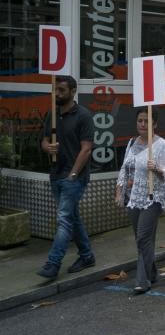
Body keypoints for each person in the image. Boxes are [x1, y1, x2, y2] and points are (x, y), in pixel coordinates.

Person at [37, 76, 96, 281]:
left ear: (73, 91)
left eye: (61, 90)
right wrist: (47, 147)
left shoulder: (83, 115)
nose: (58, 94)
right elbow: (44, 141)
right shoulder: (52, 115)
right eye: (56, 90)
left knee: (63, 220)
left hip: (74, 177)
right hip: (56, 174)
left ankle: (53, 263)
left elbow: (86, 149)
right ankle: (87, 256)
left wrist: (73, 174)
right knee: (72, 217)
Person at [115, 109, 165, 295]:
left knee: (143, 237)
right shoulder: (132, 143)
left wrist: (156, 168)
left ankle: (143, 280)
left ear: (154, 124)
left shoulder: (162, 145)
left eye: (146, 121)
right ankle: (153, 272)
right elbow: (124, 169)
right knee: (143, 239)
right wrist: (119, 192)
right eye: (140, 121)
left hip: (153, 198)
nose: (142, 124)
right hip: (134, 198)